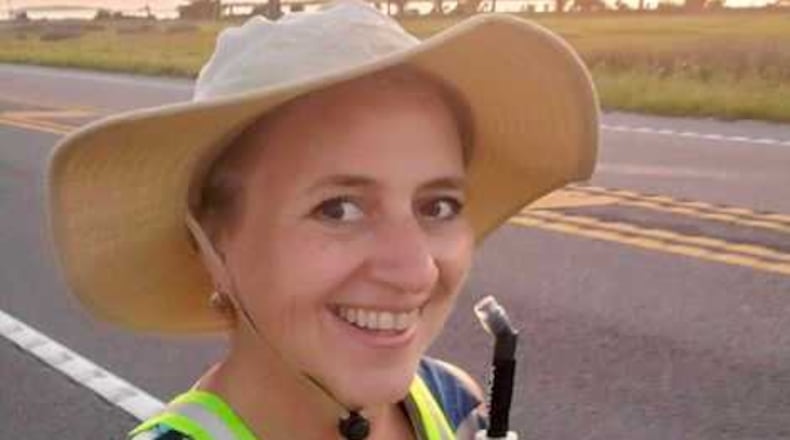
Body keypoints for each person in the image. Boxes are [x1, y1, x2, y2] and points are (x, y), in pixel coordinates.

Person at [46, 1, 598, 438]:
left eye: (438, 206)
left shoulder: (454, 403)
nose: (415, 273)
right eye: (339, 208)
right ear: (213, 245)